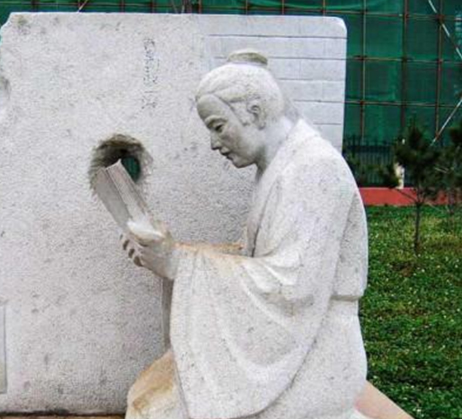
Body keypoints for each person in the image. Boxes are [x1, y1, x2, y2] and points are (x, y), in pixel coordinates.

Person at [121, 50, 369, 419]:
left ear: (254, 112)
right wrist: (170, 252)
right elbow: (257, 261)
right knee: (150, 395)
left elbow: (292, 287)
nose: (213, 142)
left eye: (218, 126)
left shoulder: (313, 169)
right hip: (296, 348)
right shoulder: (281, 167)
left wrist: (179, 262)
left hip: (316, 357)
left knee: (157, 412)